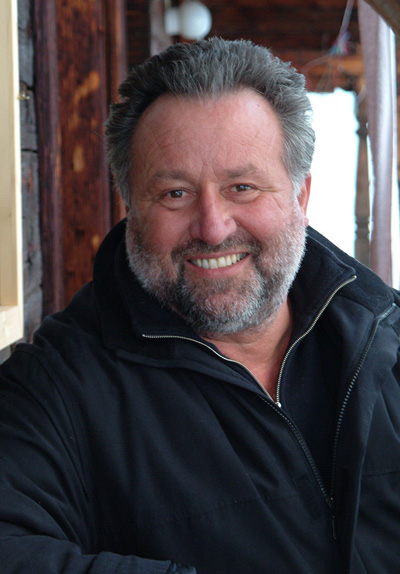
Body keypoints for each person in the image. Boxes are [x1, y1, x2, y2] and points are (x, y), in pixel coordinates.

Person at [0, 37, 399, 574]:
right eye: (175, 193)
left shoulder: (388, 337)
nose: (212, 227)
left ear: (300, 197)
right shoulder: (55, 386)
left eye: (242, 186)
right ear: (131, 207)